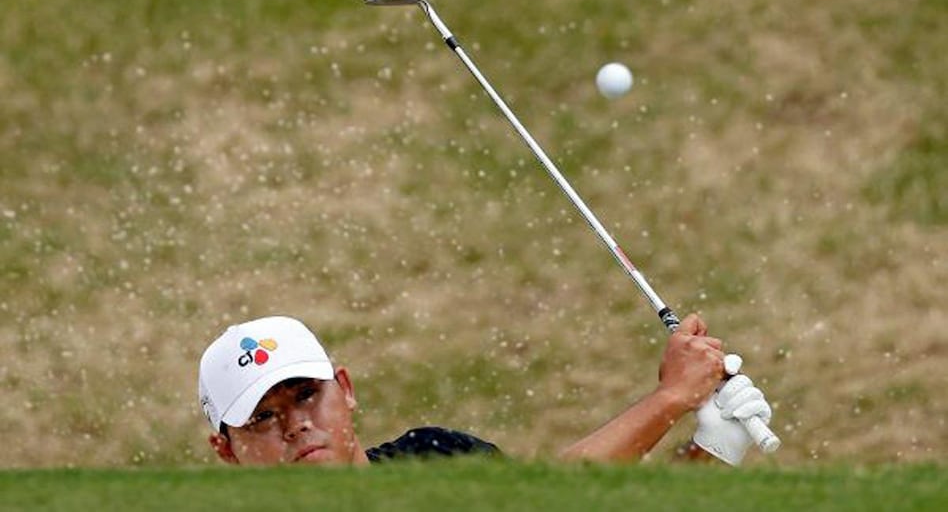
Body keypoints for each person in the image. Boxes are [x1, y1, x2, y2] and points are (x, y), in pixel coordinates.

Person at [198, 314, 772, 466]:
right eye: (261, 419)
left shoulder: (432, 457)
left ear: (344, 389)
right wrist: (668, 399)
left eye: (305, 395)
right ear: (226, 449)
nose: (296, 424)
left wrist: (710, 454)